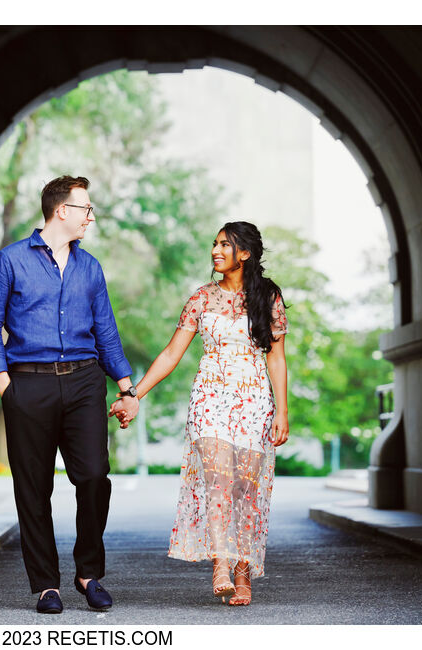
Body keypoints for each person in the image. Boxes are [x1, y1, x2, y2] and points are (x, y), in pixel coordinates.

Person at [0, 175, 139, 614]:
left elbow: (105, 329)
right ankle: (46, 585)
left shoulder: (91, 268)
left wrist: (127, 387)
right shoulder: (8, 262)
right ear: (61, 210)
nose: (91, 217)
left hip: (85, 381)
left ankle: (88, 574)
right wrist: (7, 387)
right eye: (85, 208)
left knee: (93, 477)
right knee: (33, 487)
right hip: (27, 382)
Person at [110, 221, 289, 606]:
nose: (215, 250)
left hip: (254, 398)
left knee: (246, 488)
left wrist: (282, 411)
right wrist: (133, 393)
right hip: (209, 397)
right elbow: (172, 354)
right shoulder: (201, 299)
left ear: (245, 254)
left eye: (225, 245)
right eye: (214, 244)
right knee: (218, 481)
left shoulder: (268, 297)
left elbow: (276, 357)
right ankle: (221, 563)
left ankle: (243, 573)